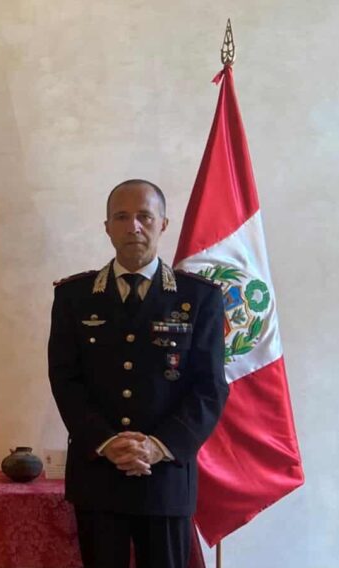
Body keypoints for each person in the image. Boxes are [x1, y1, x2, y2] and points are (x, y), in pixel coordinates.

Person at [47, 179, 228, 568]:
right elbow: (65, 380)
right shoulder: (74, 297)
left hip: (166, 477)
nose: (134, 227)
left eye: (145, 216)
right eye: (122, 217)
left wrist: (158, 446)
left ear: (163, 224)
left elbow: (210, 388)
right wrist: (106, 441)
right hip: (98, 473)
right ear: (107, 227)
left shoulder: (199, 298)